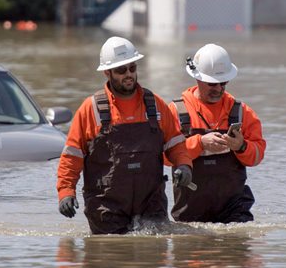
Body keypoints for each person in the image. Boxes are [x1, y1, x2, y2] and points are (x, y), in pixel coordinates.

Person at [56, 36, 194, 234]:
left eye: (132, 68)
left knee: (154, 260)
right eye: (121, 70)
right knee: (111, 260)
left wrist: (184, 166)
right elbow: (72, 156)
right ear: (107, 72)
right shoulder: (91, 109)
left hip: (151, 206)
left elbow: (176, 144)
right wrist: (65, 192)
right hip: (106, 210)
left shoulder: (155, 105)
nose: (128, 74)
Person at [168, 43, 266, 223]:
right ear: (197, 78)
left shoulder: (242, 112)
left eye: (224, 83)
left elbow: (258, 156)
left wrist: (241, 146)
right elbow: (164, 156)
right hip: (190, 215)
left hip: (235, 212)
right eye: (213, 84)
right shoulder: (176, 111)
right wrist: (199, 143)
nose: (219, 89)